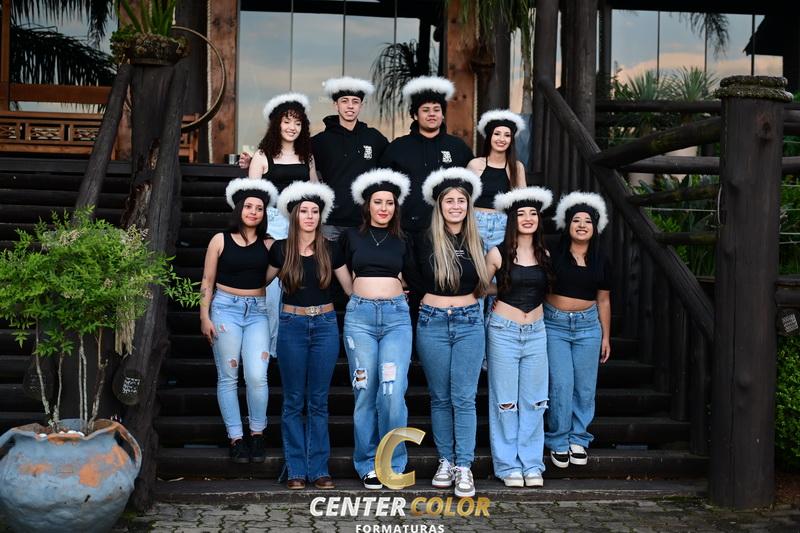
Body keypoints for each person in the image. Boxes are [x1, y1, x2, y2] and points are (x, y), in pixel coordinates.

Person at [265, 181, 354, 490]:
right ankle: (296, 470)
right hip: (292, 324)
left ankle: (319, 469)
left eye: (315, 211)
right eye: (304, 211)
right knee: (293, 400)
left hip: (325, 325)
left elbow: (351, 288)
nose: (310, 216)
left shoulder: (331, 249)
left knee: (318, 401)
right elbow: (256, 284)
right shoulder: (280, 249)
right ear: (294, 215)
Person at [414, 167, 490, 498]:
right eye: (450, 201)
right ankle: (446, 460)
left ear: (468, 206)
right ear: (440, 205)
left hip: (469, 322)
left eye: (461, 201)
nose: (456, 206)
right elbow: (413, 277)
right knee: (441, 397)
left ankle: (464, 466)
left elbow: (487, 282)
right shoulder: (424, 239)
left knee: (463, 397)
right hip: (431, 321)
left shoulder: (477, 241)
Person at [339, 168, 415, 489]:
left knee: (392, 392)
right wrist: (356, 294)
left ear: (396, 207)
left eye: (389, 203)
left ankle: (393, 463)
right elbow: (339, 264)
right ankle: (367, 462)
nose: (384, 208)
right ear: (367, 205)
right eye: (378, 202)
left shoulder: (403, 239)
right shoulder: (352, 236)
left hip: (396, 319)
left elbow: (413, 275)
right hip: (360, 320)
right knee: (365, 390)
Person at [199, 177, 279, 464]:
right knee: (228, 376)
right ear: (239, 209)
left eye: (259, 208)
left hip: (257, 311)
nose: (253, 212)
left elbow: (271, 278)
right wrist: (204, 316)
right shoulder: (220, 240)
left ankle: (257, 433)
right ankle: (235, 437)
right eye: (248, 206)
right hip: (225, 310)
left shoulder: (270, 244)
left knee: (257, 375)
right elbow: (207, 280)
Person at [484, 186, 554, 488]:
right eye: (521, 214)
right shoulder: (497, 252)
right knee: (505, 400)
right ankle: (508, 464)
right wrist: (500, 291)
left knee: (535, 400)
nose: (528, 218)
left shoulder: (545, 254)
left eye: (533, 214)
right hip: (503, 331)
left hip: (537, 332)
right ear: (512, 219)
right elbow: (479, 287)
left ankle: (532, 463)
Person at [247, 92, 318, 357]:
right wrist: (259, 233)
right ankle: (265, 349)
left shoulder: (307, 156)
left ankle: (287, 348)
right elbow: (251, 200)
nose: (292, 127)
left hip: (300, 226)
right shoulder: (262, 156)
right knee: (270, 291)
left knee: (295, 286)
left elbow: (315, 192)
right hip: (271, 225)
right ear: (277, 123)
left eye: (297, 123)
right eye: (287, 122)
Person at [545, 191, 612, 470]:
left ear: (595, 227)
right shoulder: (552, 253)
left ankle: (579, 438)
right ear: (568, 225)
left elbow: (603, 300)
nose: (582, 225)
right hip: (555, 325)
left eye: (587, 221)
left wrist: (606, 336)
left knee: (585, 387)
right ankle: (558, 439)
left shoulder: (601, 259)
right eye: (576, 220)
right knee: (561, 384)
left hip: (588, 327)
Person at [379, 76, 473, 242]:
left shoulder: (457, 147)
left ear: (443, 114)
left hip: (447, 232)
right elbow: (382, 189)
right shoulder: (398, 147)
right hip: (405, 231)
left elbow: (471, 186)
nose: (432, 114)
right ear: (415, 115)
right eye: (426, 110)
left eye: (436, 109)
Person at [313, 76, 389, 241]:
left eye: (355, 102)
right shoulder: (320, 141)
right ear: (336, 105)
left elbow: (392, 167)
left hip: (363, 221)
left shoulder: (374, 138)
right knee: (328, 259)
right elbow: (301, 166)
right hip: (329, 222)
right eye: (344, 101)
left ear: (361, 105)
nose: (350, 106)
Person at [467, 109, 528, 254]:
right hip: (476, 223)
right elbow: (465, 198)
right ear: (489, 137)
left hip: (504, 224)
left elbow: (523, 204)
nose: (502, 139)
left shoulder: (517, 167)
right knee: (475, 265)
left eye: (507, 135)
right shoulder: (475, 164)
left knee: (500, 266)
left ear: (512, 139)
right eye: (497, 134)